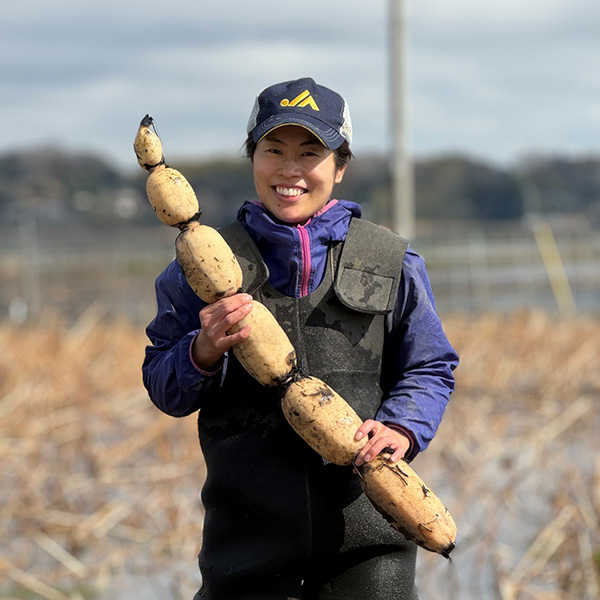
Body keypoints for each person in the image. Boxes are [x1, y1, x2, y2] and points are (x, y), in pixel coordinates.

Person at [142, 77, 459, 600]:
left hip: (369, 543)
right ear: (253, 158)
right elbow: (162, 385)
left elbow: (430, 366)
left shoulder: (392, 262)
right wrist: (201, 352)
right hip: (244, 543)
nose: (290, 169)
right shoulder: (197, 266)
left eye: (310, 152)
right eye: (274, 150)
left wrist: (403, 426)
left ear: (340, 166)